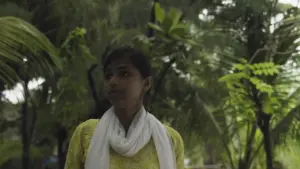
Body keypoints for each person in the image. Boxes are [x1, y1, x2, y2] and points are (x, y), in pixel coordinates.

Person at [64, 47, 185, 169]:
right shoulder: (86, 133)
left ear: (146, 83)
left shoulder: (170, 139)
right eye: (108, 75)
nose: (113, 81)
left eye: (124, 74)